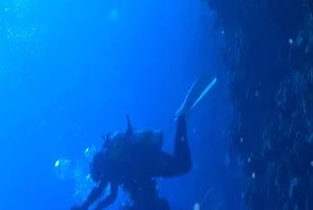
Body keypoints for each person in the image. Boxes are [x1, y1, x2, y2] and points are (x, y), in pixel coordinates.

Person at [72, 77, 216, 210]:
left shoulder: (110, 168)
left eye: (99, 177)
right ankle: (181, 120)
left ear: (99, 170)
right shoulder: (112, 168)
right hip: (148, 165)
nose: (101, 181)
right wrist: (93, 207)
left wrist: (86, 206)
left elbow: (101, 192)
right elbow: (111, 196)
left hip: (148, 163)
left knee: (182, 165)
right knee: (182, 165)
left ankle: (181, 119)